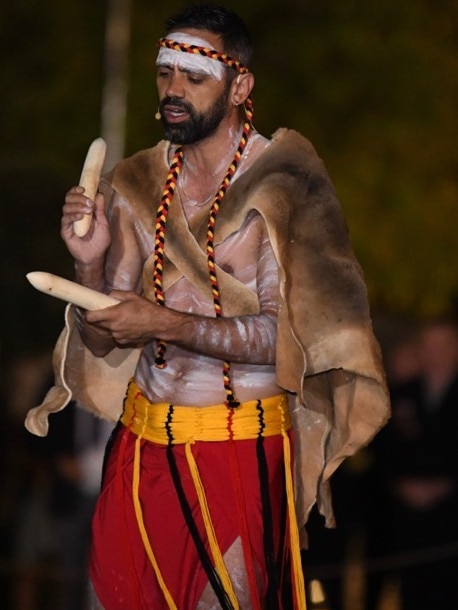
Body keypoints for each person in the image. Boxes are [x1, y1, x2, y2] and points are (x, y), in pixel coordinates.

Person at [25, 4, 389, 609]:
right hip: (141, 452)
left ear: (240, 85)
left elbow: (287, 342)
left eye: (195, 77)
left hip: (238, 455)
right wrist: (87, 261)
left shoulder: (287, 183)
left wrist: (163, 322)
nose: (174, 90)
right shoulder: (138, 181)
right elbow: (103, 338)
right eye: (166, 74)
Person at [364, 318, 458, 610]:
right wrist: (400, 483)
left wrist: (445, 485)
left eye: (442, 345)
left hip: (452, 517)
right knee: (413, 590)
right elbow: (381, 449)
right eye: (428, 346)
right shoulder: (403, 393)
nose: (435, 353)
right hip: (407, 519)